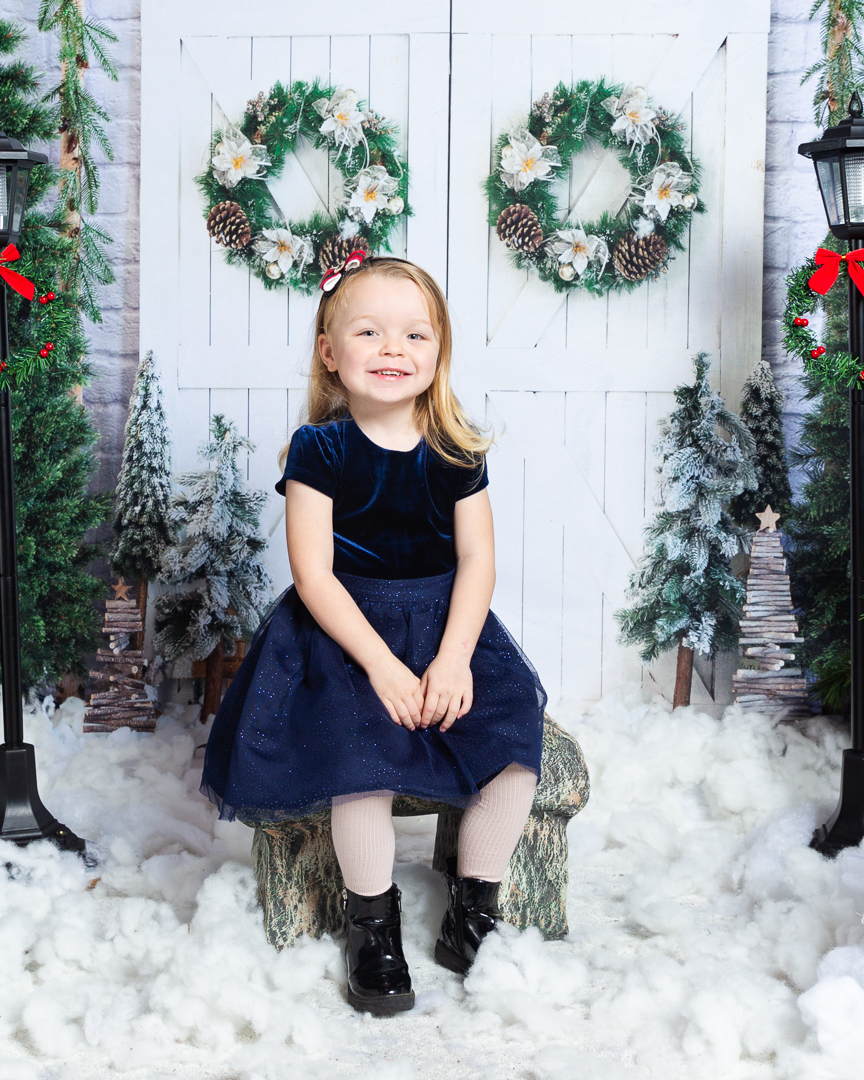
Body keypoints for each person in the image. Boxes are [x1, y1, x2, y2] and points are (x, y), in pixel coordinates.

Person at [200, 251, 546, 1016]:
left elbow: (478, 561)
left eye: (415, 336)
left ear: (438, 352)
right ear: (330, 352)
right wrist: (386, 669)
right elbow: (314, 575)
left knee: (515, 749)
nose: (394, 350)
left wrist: (454, 656)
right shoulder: (319, 452)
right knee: (360, 763)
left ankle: (473, 909)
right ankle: (373, 924)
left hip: (447, 627)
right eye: (369, 332)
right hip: (344, 636)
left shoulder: (457, 451)